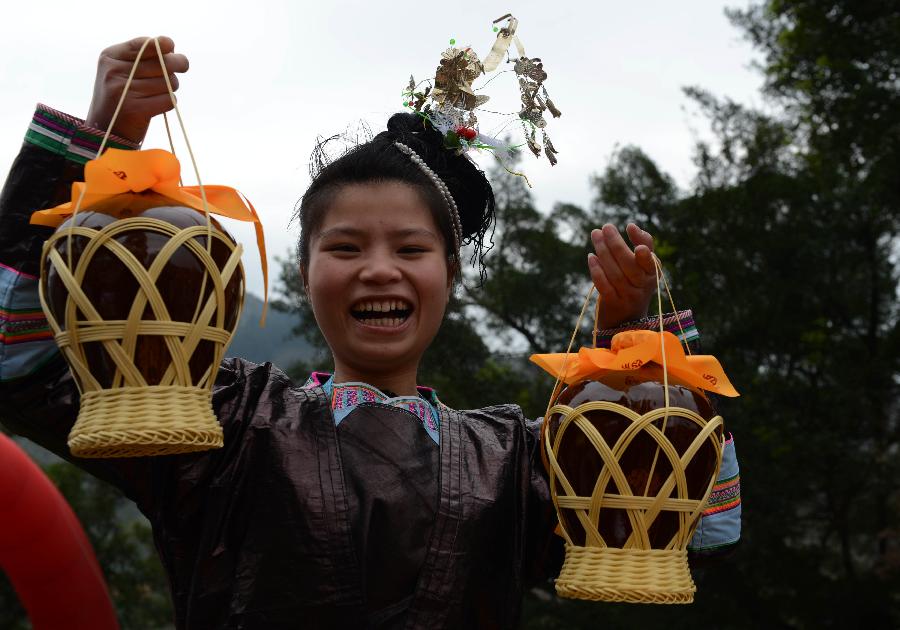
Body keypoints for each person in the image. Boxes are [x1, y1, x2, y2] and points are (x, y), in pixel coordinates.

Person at [0, 37, 740, 629]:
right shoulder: (218, 425)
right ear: (305, 272)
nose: (379, 270)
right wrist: (99, 141)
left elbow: (696, 531)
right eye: (346, 248)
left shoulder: (522, 460)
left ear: (449, 275)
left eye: (411, 250)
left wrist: (639, 356)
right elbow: (18, 366)